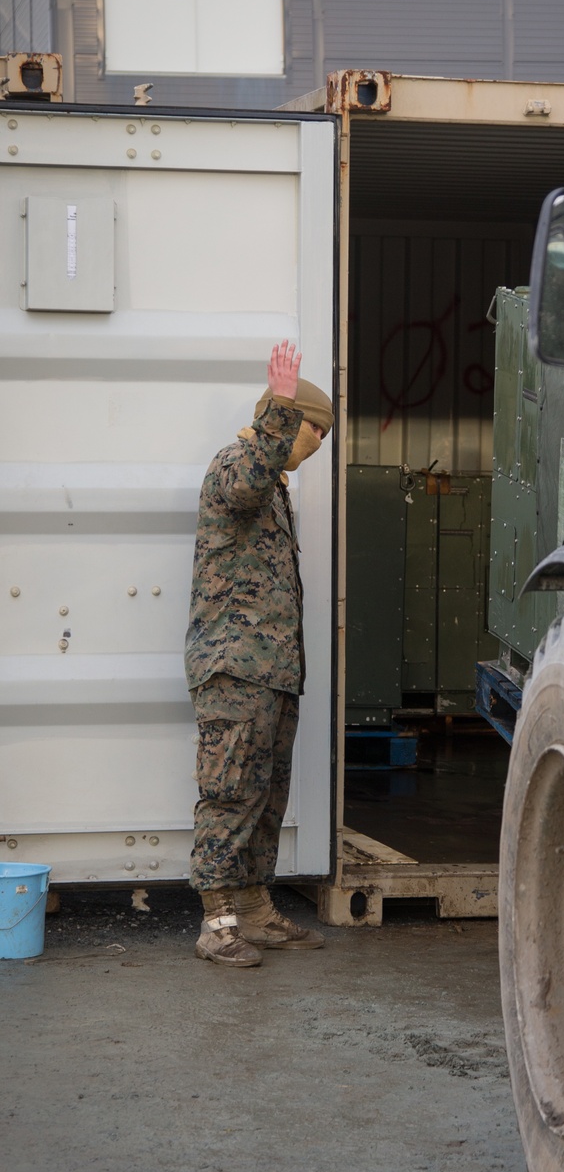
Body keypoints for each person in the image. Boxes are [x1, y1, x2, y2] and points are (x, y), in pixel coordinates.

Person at [184, 339, 333, 967]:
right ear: (286, 424)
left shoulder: (276, 489)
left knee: (266, 795)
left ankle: (254, 909)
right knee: (229, 794)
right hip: (234, 671)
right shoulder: (237, 467)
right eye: (316, 432)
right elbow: (246, 484)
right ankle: (217, 923)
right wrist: (279, 404)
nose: (318, 446)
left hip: (269, 675)